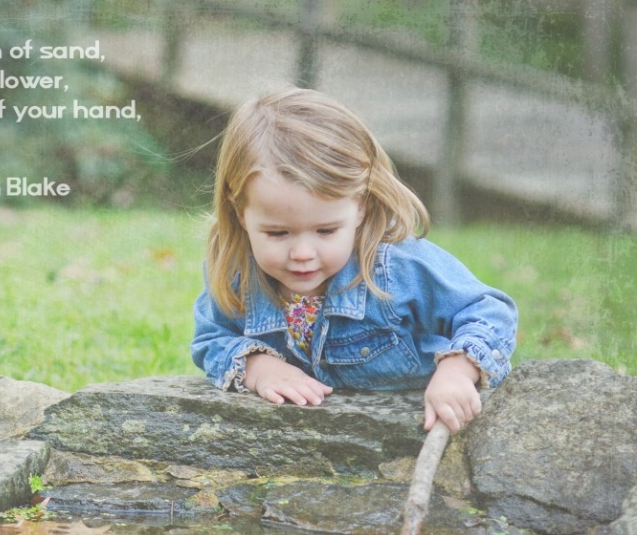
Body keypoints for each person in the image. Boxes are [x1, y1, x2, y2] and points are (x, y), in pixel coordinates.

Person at [191, 86, 518, 434]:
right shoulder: (237, 272)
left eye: (326, 231)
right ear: (240, 212)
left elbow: (489, 309)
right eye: (277, 234)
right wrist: (259, 367)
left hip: (430, 427)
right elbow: (212, 339)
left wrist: (458, 369)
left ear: (360, 206)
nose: (303, 253)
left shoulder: (394, 266)